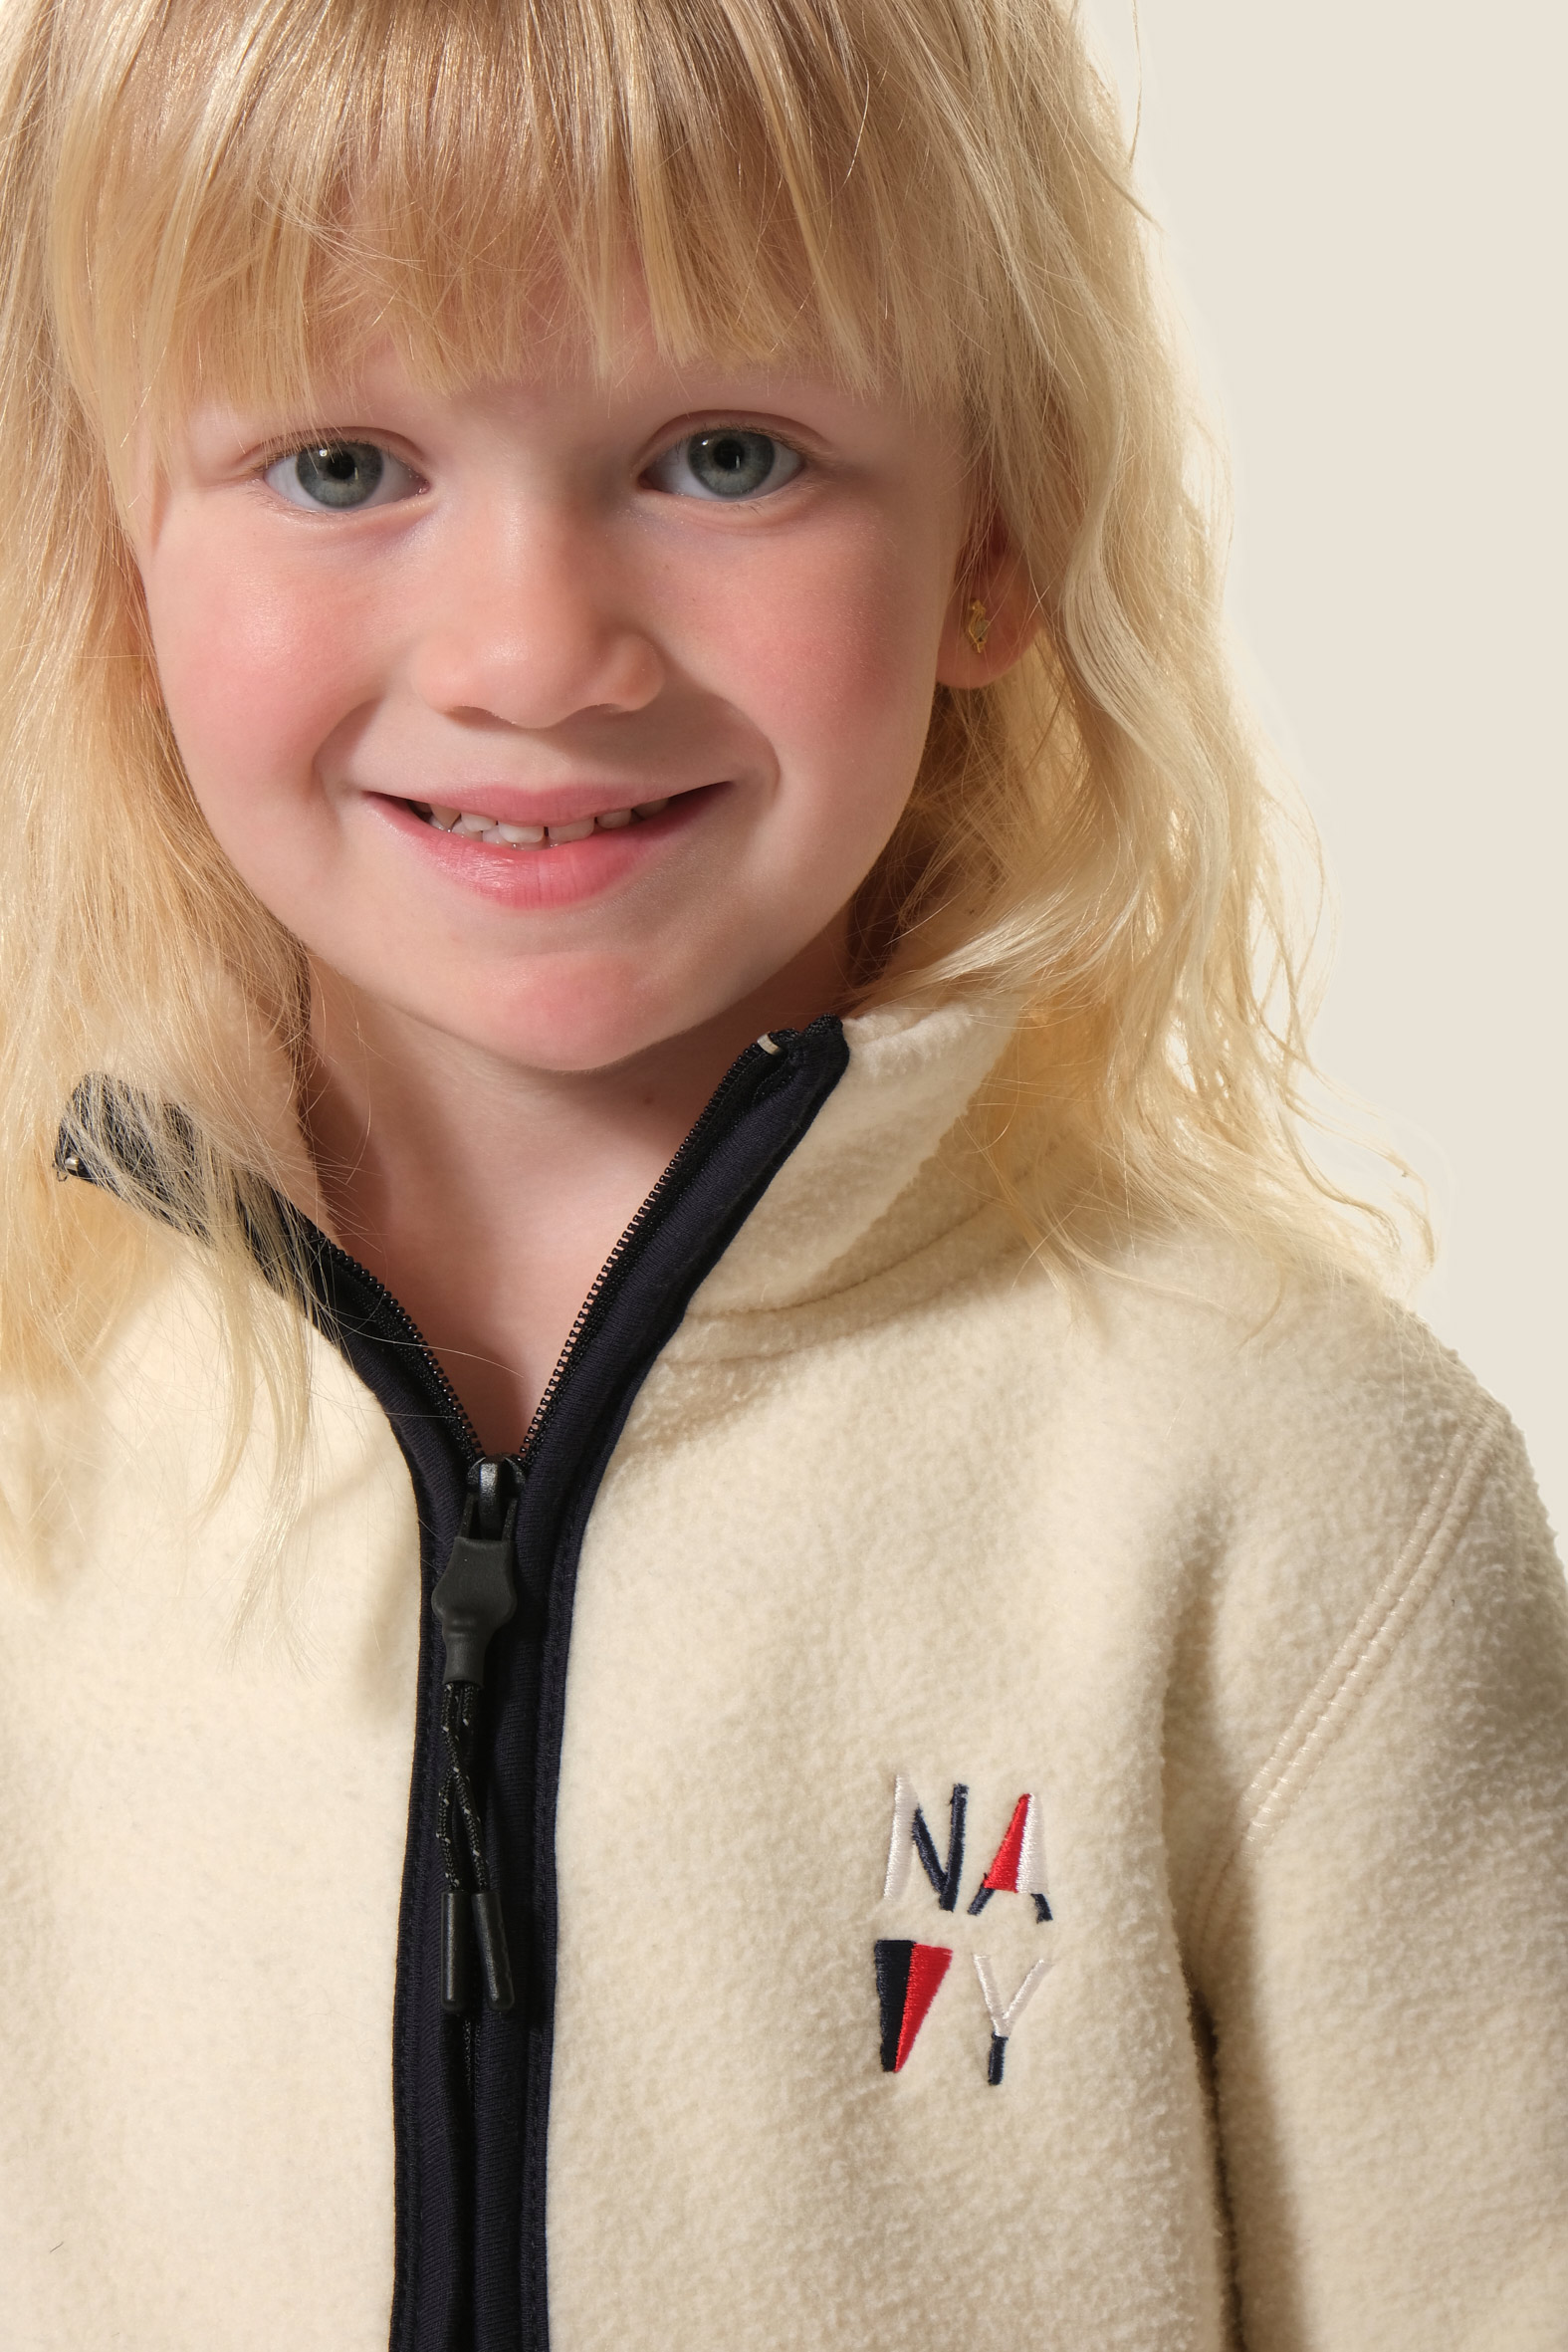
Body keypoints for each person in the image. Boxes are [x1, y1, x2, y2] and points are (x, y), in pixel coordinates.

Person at [0, 1, 1563, 2346]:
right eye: (337, 464)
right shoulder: (26, 1434)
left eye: (722, 456)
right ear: (104, 551)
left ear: (995, 532)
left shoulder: (1286, 1489)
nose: (531, 652)